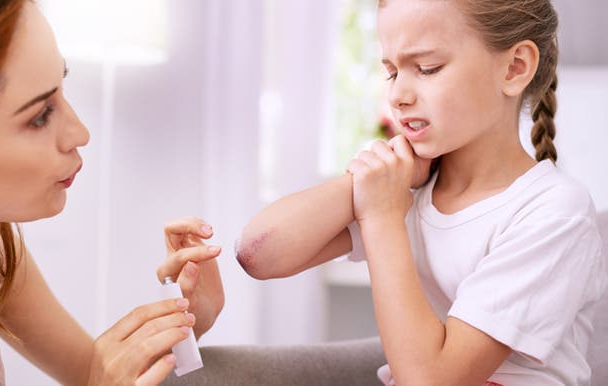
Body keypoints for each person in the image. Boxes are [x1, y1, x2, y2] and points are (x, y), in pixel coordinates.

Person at [236, 0, 607, 385]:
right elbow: (258, 253)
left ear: (514, 68)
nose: (398, 95)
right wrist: (366, 184)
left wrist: (381, 218)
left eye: (427, 68)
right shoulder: (407, 192)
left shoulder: (553, 211)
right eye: (392, 72)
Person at [0, 1, 223, 385]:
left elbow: (90, 375)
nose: (80, 133)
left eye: (61, 89)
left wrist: (185, 324)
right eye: (39, 116)